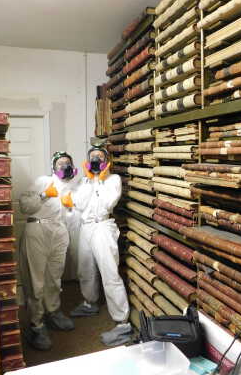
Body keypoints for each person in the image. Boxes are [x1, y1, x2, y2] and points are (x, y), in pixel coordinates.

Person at [62, 145, 132, 346]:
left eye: (99, 157)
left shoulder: (113, 180)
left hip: (103, 226)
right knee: (85, 269)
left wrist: (100, 180)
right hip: (86, 227)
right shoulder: (84, 181)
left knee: (110, 273)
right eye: (92, 157)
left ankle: (122, 323)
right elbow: (80, 203)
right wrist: (90, 181)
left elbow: (107, 204)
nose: (95, 160)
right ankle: (89, 303)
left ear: (106, 161)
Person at [19, 152, 78, 350]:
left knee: (54, 277)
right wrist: (44, 194)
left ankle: (53, 312)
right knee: (36, 281)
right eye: (60, 163)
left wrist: (71, 208)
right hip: (37, 229)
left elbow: (73, 220)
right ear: (53, 167)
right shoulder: (42, 181)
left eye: (68, 163)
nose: (64, 166)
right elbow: (24, 206)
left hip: (59, 232)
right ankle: (36, 325)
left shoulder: (72, 188)